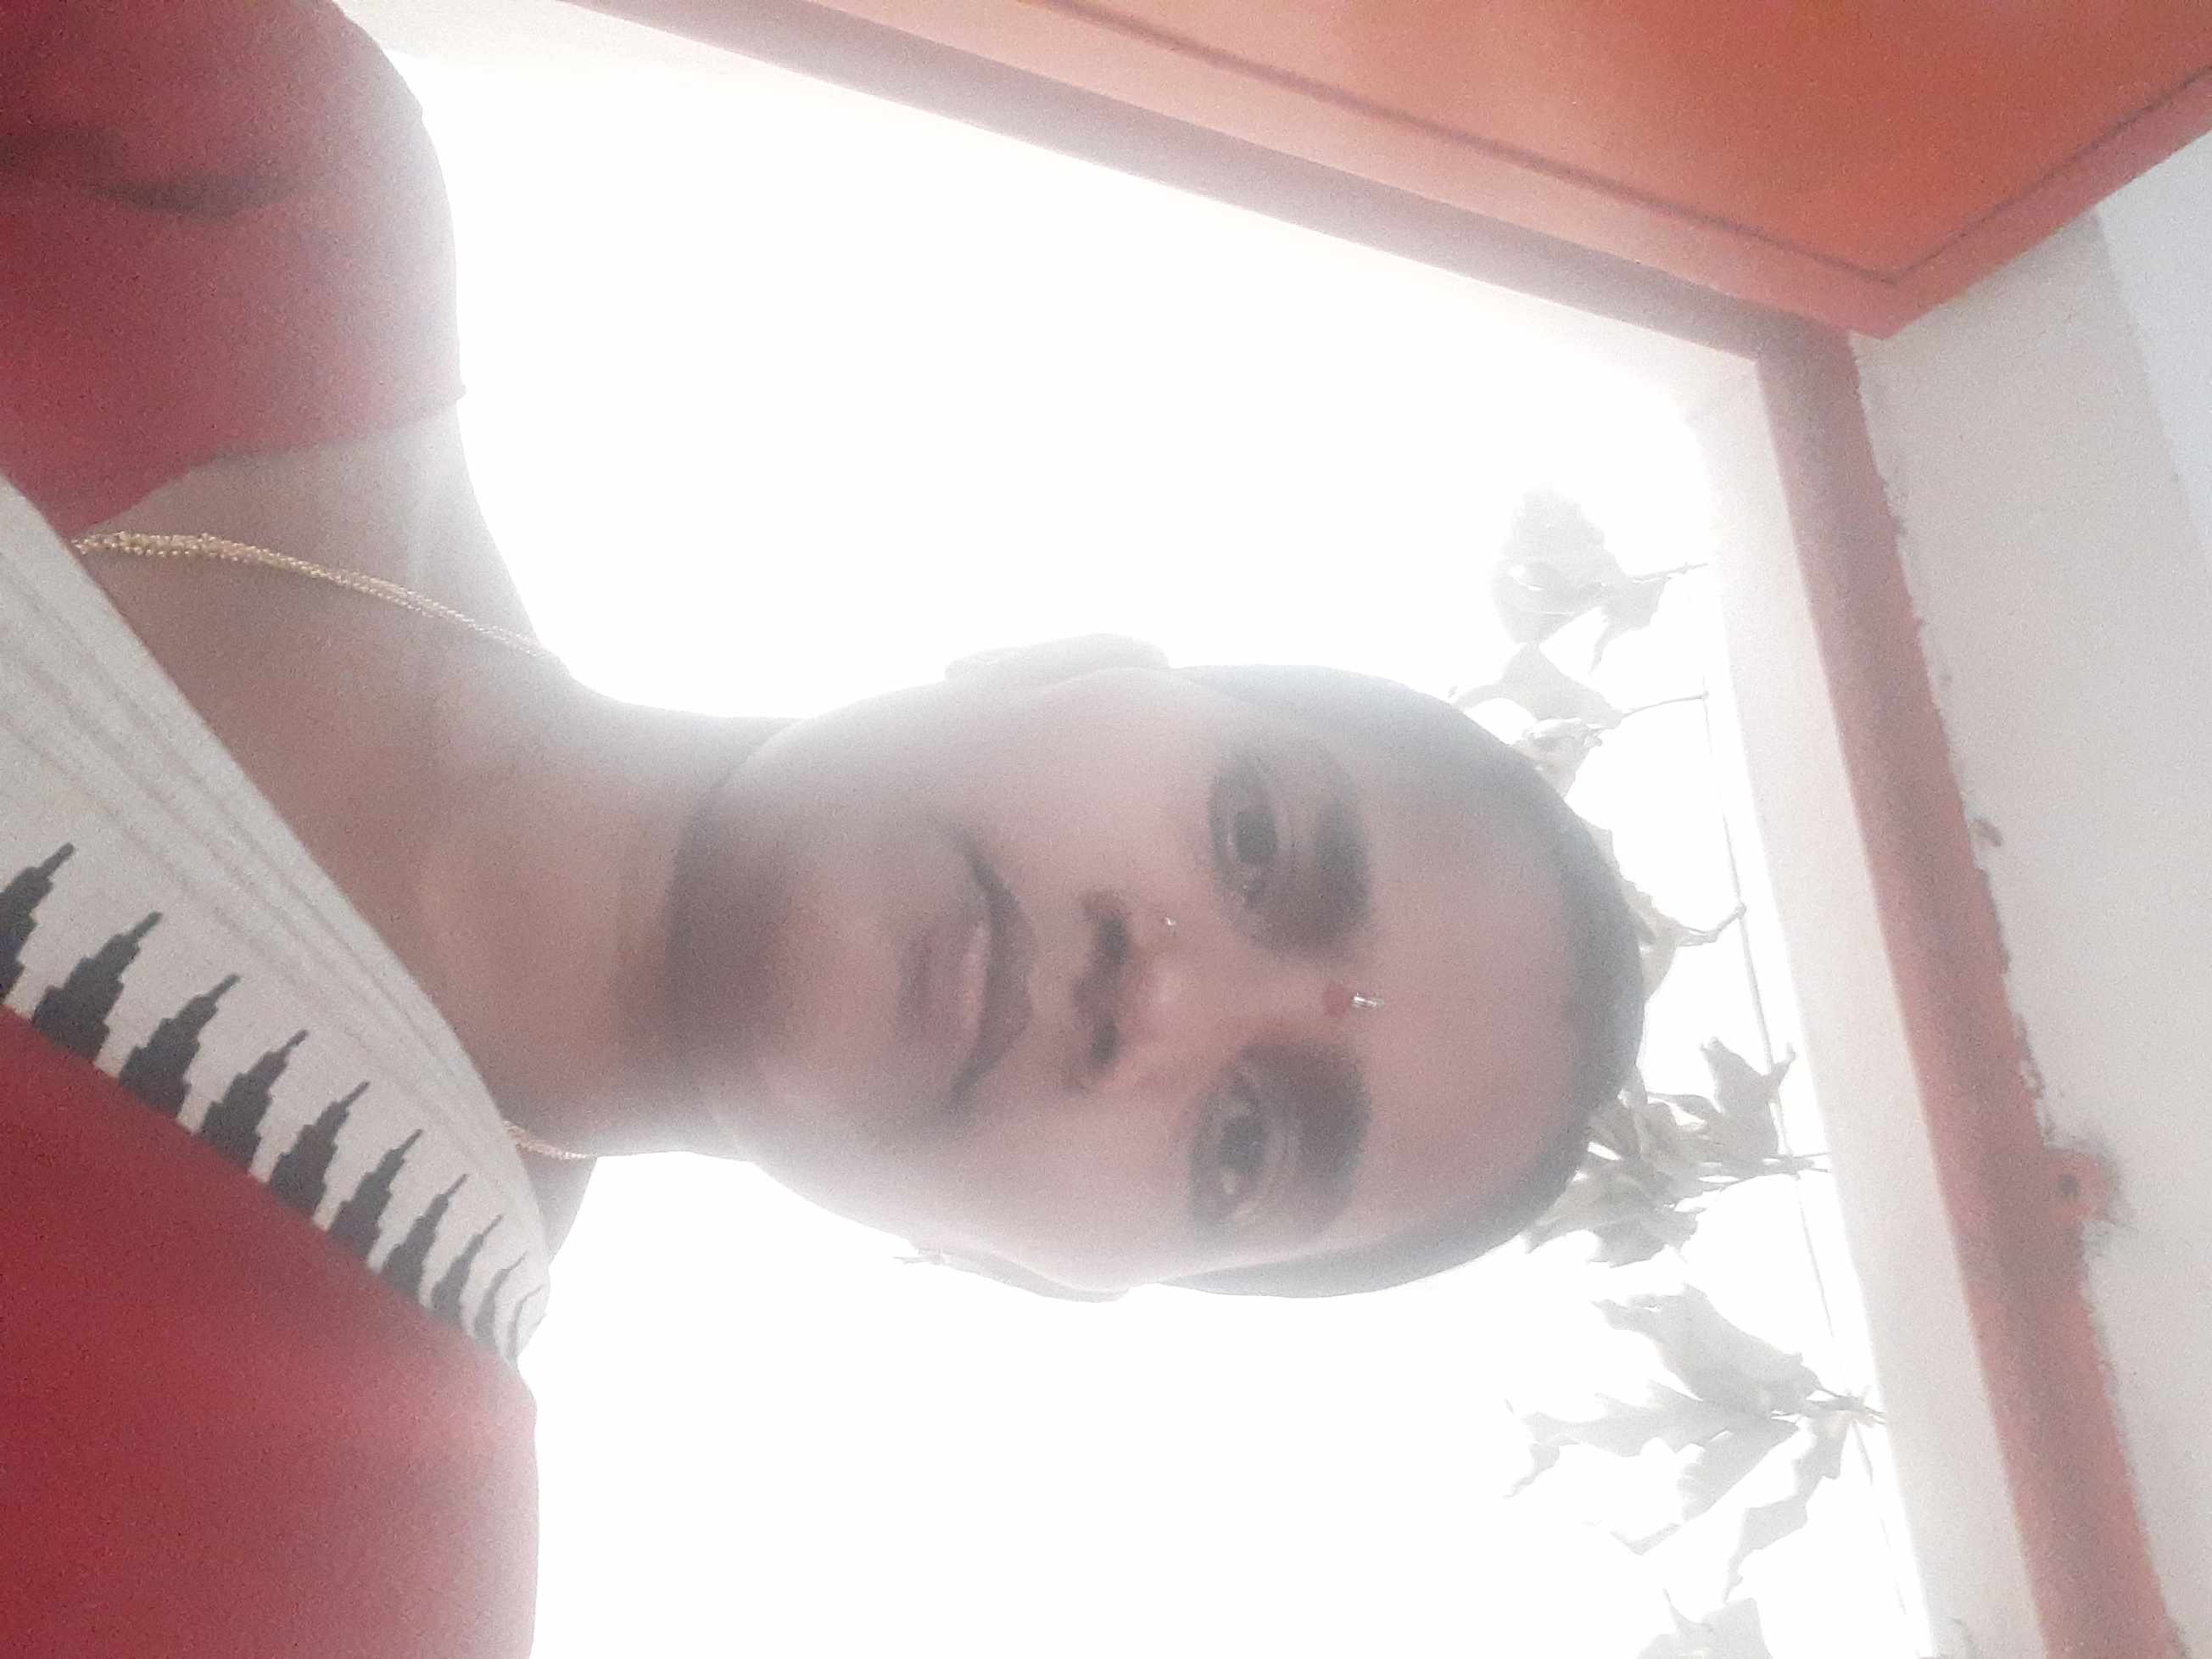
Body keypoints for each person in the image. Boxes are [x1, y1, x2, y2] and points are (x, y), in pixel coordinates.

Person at [0, 0, 1641, 1651]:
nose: (1154, 997)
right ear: (1061, 656)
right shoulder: (260, 177)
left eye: (1243, 1145)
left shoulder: (329, 1579)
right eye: (1254, 842)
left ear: (1038, 1277)